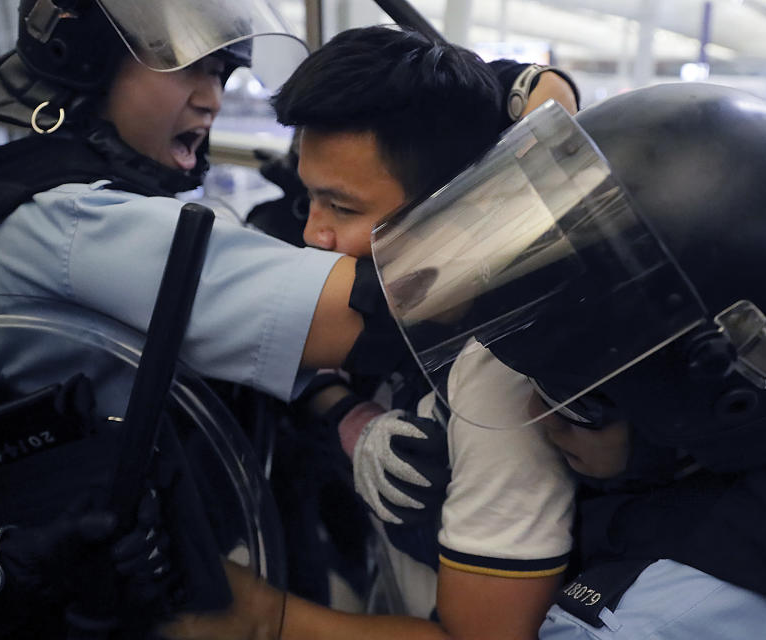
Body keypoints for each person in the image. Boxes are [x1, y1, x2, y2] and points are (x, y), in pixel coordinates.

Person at [0, 0, 411, 636]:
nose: (212, 101)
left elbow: (234, 346)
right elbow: (369, 312)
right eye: (187, 71)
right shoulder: (78, 226)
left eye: (220, 73)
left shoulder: (36, 192)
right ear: (92, 64)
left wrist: (341, 412)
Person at [366, 84, 766, 639]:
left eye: (580, 405)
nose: (535, 412)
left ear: (698, 420)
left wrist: (271, 618)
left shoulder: (643, 624)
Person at [159, 26, 598, 640]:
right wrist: (352, 416)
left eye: (342, 209)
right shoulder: (401, 297)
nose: (313, 235)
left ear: (453, 210)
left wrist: (260, 616)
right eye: (310, 198)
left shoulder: (499, 372)